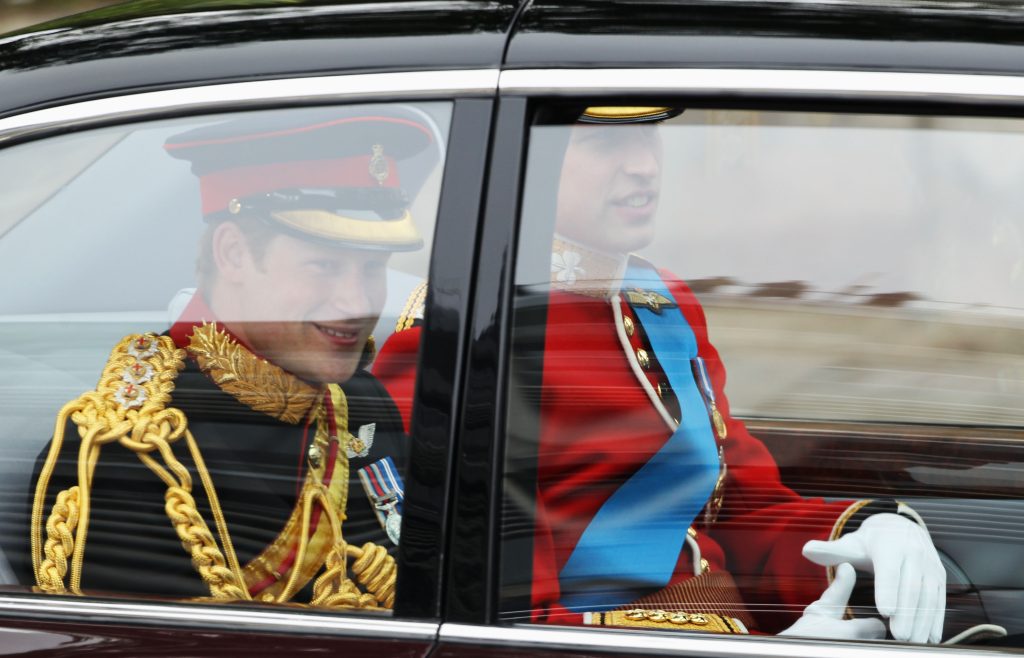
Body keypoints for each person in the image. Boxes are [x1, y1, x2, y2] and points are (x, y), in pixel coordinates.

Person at [374, 106, 947, 641]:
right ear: (535, 162)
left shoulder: (661, 302)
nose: (644, 166)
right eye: (605, 142)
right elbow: (507, 622)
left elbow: (735, 506)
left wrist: (866, 534)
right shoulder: (465, 336)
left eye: (649, 135)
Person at [12, 106, 439, 608]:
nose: (356, 302)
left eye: (373, 269)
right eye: (323, 266)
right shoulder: (129, 454)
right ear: (233, 253)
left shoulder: (359, 400)